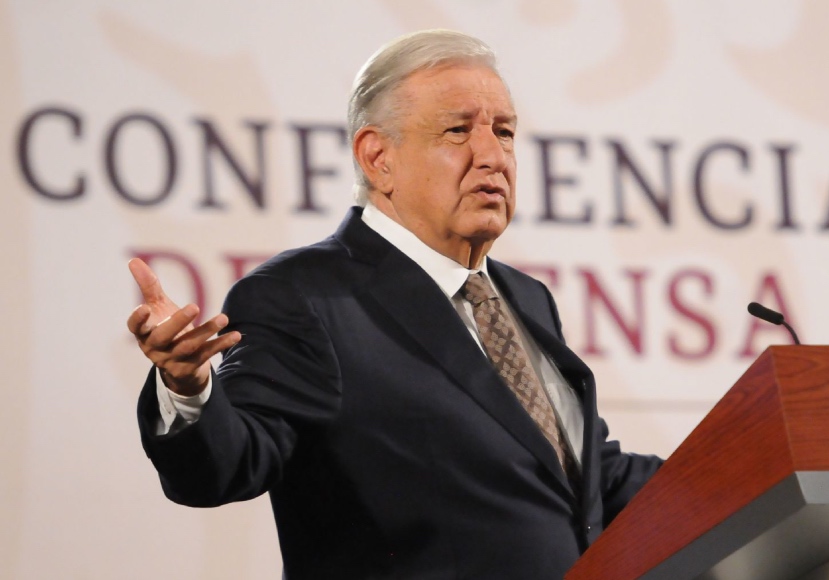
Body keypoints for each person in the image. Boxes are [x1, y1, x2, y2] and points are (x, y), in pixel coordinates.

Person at [128, 29, 663, 579]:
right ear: (377, 157)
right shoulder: (304, 296)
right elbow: (228, 464)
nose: (492, 156)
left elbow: (588, 477)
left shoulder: (526, 298)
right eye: (458, 130)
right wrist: (188, 390)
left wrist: (726, 467)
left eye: (504, 132)